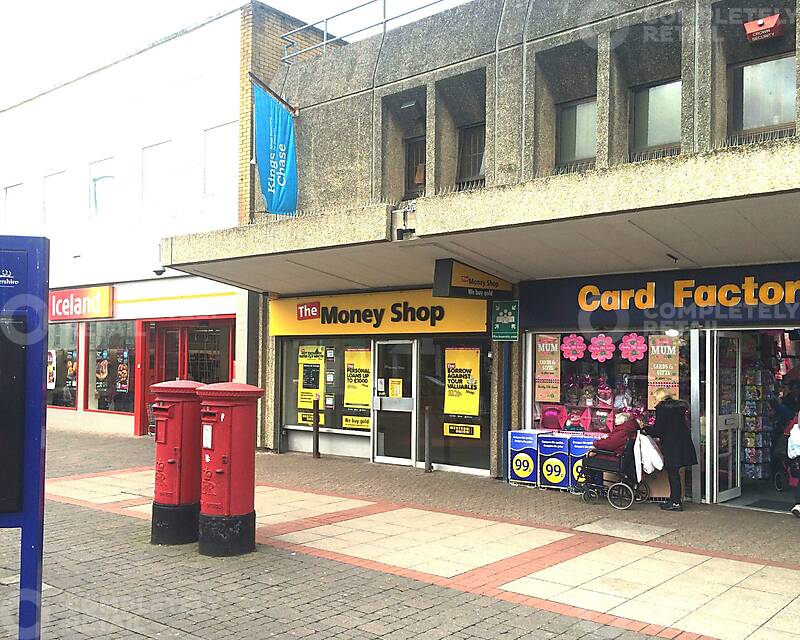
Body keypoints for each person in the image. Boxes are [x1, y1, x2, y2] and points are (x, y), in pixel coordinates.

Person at [645, 398, 697, 512]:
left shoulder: (663, 411)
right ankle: (674, 499)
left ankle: (675, 502)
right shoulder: (679, 411)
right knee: (674, 472)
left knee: (672, 473)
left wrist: (646, 430)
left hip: (671, 445)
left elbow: (658, 430)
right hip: (682, 443)